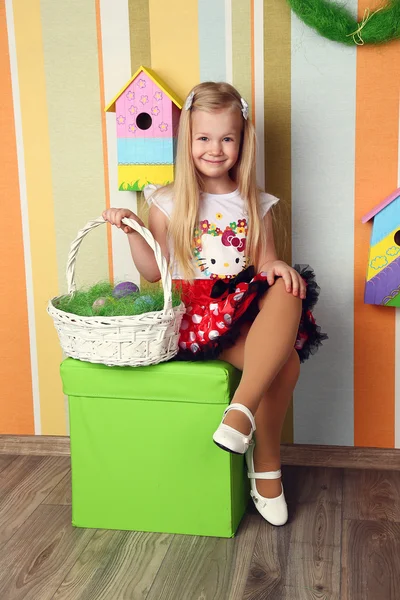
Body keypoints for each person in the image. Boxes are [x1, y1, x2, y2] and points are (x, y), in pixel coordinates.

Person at [103, 82, 326, 527]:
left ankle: (239, 416)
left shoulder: (253, 202)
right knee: (287, 365)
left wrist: (279, 263)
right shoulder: (165, 200)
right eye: (204, 137)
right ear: (188, 139)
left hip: (242, 307)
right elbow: (153, 272)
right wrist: (132, 232)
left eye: (227, 137)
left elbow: (265, 267)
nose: (215, 148)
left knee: (286, 285)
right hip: (194, 315)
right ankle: (265, 469)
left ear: (243, 141)